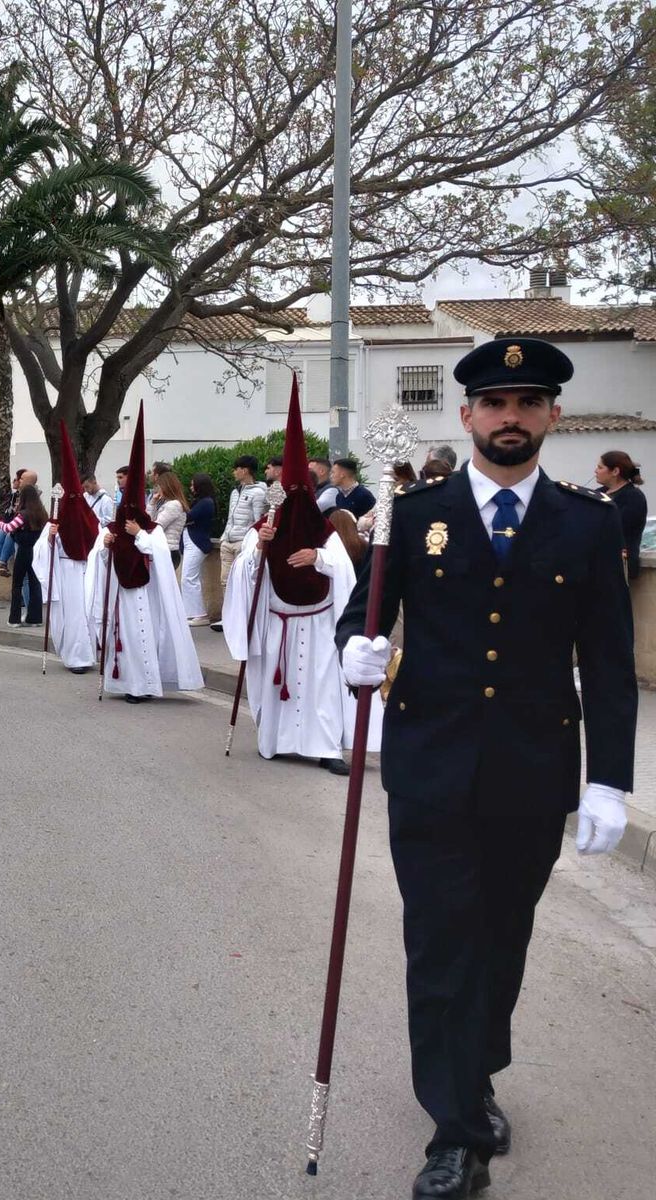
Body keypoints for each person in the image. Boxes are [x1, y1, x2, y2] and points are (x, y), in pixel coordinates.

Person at [338, 337, 636, 1199]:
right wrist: (353, 653)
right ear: (465, 415)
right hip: (430, 770)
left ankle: (476, 1071)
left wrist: (609, 780)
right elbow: (362, 615)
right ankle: (456, 1133)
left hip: (534, 773)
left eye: (528, 403)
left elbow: (611, 665)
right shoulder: (409, 515)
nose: (511, 418)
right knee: (440, 942)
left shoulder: (588, 523)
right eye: (495, 404)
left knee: (502, 942)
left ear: (552, 416)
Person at [222, 387, 371, 775]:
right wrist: (259, 551)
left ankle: (326, 748)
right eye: (287, 494)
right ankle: (276, 741)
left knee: (322, 686)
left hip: (319, 623)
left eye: (299, 493)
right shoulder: (263, 528)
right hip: (278, 622)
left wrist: (318, 557)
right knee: (279, 686)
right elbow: (244, 576)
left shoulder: (323, 532)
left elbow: (345, 572)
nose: (293, 501)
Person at [85, 404, 202, 702]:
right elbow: (99, 559)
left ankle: (145, 684)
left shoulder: (152, 528)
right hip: (121, 594)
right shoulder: (112, 526)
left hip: (146, 592)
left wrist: (140, 537)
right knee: (125, 638)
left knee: (143, 635)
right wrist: (107, 545)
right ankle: (126, 683)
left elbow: (160, 555)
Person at [31, 422, 98, 671]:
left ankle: (88, 655)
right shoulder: (55, 520)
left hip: (86, 571)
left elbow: (100, 543)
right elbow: (41, 552)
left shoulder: (90, 517)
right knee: (71, 617)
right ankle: (75, 657)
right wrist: (50, 538)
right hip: (65, 572)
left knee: (86, 615)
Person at [210, 455, 268, 632]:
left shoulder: (258, 493)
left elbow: (258, 519)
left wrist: (252, 541)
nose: (234, 472)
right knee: (225, 581)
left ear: (245, 470)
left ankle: (244, 617)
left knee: (242, 581)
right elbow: (230, 517)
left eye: (237, 469)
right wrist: (224, 537)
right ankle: (228, 616)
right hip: (228, 540)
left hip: (244, 541)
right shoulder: (235, 491)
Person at [594, 449, 646, 579]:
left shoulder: (633, 497)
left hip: (617, 567)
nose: (596, 471)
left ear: (615, 472)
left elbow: (616, 529)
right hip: (596, 564)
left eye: (600, 467)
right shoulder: (598, 493)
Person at [7, 484, 47, 627]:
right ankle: (35, 618)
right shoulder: (42, 513)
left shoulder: (23, 514)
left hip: (24, 550)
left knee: (17, 584)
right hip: (37, 552)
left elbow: (9, 528)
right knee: (34, 583)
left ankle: (14, 619)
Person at [181, 473, 216, 626]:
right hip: (191, 542)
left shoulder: (206, 502)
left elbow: (188, 517)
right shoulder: (201, 501)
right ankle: (191, 613)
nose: (191, 487)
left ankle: (199, 614)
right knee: (190, 578)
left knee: (188, 578)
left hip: (197, 543)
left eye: (192, 484)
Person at [0, 469, 27, 578]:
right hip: (10, 524)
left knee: (9, 536)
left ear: (21, 481)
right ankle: (3, 565)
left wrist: (1, 524)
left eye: (15, 479)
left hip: (19, 527)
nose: (13, 482)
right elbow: (8, 514)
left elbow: (21, 516)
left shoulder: (29, 495)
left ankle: (1, 564)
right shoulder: (14, 496)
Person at [153, 470, 189, 569]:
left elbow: (156, 526)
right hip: (165, 550)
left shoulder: (174, 505)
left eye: (159, 487)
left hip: (168, 550)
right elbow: (149, 520)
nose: (158, 490)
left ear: (166, 487)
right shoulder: (168, 503)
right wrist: (152, 503)